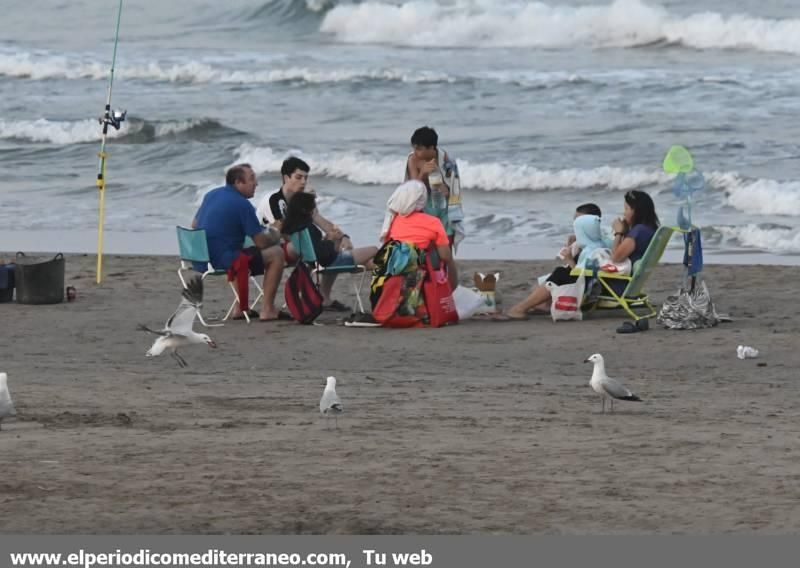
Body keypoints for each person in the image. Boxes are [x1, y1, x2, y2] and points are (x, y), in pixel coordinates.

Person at [501, 191, 659, 320]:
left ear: (636, 210)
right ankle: (540, 304)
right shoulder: (648, 230)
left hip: (613, 284)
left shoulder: (638, 232)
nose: (624, 213)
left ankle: (519, 308)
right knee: (565, 272)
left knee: (561, 274)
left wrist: (619, 232)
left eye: (626, 209)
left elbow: (616, 258)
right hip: (625, 282)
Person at [192, 163, 287, 322]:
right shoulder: (242, 204)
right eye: (251, 179)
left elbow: (194, 225)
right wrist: (276, 232)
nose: (256, 183)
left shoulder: (212, 194)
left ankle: (239, 308)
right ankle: (268, 309)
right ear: (238, 182)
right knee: (277, 253)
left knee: (238, 249)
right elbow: (261, 242)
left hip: (200, 258)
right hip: (220, 261)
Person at [282, 191, 378, 309]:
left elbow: (315, 249)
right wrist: (331, 241)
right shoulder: (307, 228)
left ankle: (324, 297)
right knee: (374, 250)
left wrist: (327, 240)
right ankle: (386, 280)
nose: (315, 210)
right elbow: (321, 253)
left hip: (320, 262)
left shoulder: (295, 227)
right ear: (305, 210)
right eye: (313, 207)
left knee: (369, 262)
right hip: (331, 262)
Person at [381, 180, 458, 291]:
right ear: (423, 200)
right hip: (422, 265)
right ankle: (451, 290)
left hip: (396, 264)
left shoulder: (393, 220)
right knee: (447, 257)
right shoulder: (433, 222)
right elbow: (445, 256)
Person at [403, 126, 464, 247]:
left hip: (442, 202)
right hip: (423, 202)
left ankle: (446, 258)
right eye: (414, 148)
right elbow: (413, 189)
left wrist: (444, 187)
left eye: (419, 149)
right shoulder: (413, 159)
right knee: (427, 237)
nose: (415, 152)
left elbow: (453, 188)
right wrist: (423, 173)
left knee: (447, 234)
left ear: (431, 148)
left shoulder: (444, 159)